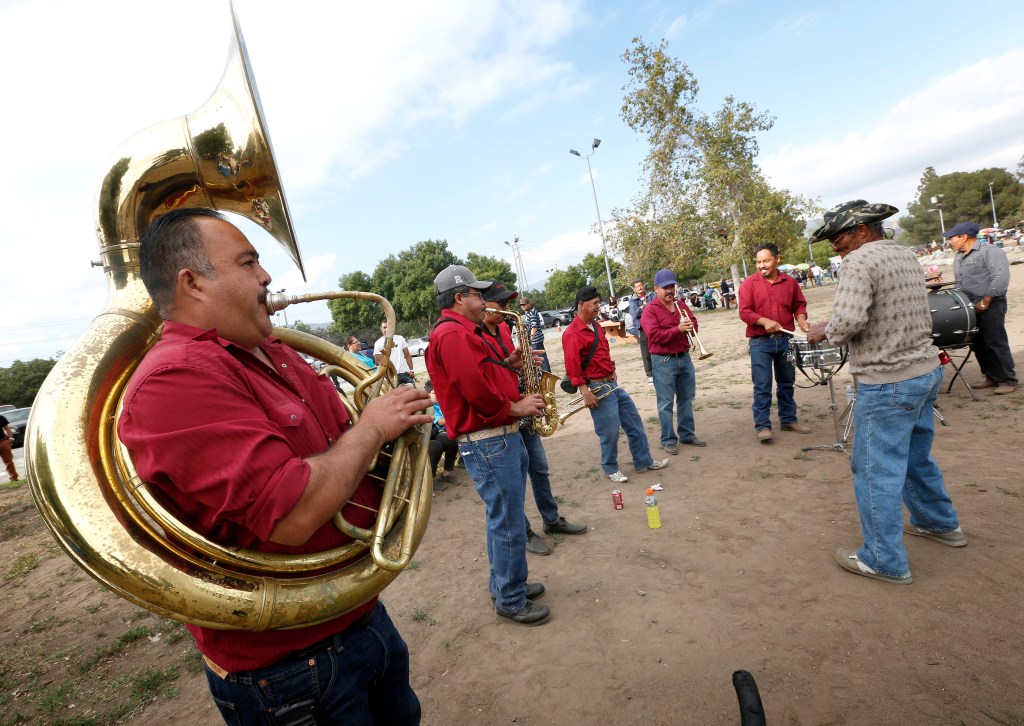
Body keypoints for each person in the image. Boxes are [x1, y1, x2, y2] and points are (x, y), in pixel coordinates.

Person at [118, 208, 430, 723]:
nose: (266, 276)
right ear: (192, 283)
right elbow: (294, 515)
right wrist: (374, 428)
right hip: (289, 672)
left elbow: (343, 444)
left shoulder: (273, 349)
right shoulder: (176, 378)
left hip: (362, 620)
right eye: (248, 263)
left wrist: (393, 430)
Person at [807, 200, 965, 586]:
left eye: (839, 236)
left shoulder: (859, 262)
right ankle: (938, 522)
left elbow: (848, 322)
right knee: (914, 456)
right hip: (924, 371)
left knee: (875, 470)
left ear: (863, 229)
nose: (834, 245)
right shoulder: (905, 255)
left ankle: (882, 559)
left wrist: (823, 328)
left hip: (887, 379)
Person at [425, 265, 551, 626]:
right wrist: (515, 407)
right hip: (489, 440)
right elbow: (475, 391)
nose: (484, 300)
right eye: (479, 295)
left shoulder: (464, 333)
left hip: (496, 438)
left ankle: (507, 585)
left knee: (504, 518)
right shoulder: (452, 335)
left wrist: (508, 365)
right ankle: (510, 599)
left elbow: (480, 376)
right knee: (508, 521)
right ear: (460, 297)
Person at [479, 283, 587, 556]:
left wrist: (525, 365)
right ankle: (525, 532)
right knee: (515, 481)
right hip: (507, 413)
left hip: (525, 404)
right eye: (501, 304)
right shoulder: (475, 333)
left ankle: (551, 520)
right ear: (486, 304)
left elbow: (507, 364)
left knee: (539, 468)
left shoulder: (505, 327)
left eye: (507, 303)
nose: (506, 309)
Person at [563, 285, 669, 483]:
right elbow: (573, 368)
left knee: (634, 422)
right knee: (609, 431)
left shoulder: (595, 325)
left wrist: (611, 369)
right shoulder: (571, 334)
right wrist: (585, 392)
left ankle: (643, 461)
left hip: (611, 384)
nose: (598, 306)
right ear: (581, 304)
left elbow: (603, 351)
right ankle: (610, 467)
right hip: (596, 388)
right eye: (594, 303)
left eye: (598, 302)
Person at [738, 243, 812, 442]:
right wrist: (764, 321)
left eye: (766, 261)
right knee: (762, 385)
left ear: (777, 259)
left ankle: (788, 419)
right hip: (760, 343)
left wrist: (802, 319)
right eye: (758, 262)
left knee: (786, 382)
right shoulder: (748, 284)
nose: (761, 265)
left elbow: (799, 305)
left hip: (786, 340)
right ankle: (762, 426)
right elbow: (744, 312)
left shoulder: (790, 282)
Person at [944, 221, 1017, 395]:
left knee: (995, 341)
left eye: (952, 238)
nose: (949, 241)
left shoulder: (991, 251)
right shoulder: (958, 256)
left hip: (991, 304)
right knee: (978, 343)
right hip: (968, 307)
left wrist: (986, 300)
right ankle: (991, 376)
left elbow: (1000, 276)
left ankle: (1008, 379)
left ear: (963, 237)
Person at [641, 269, 706, 454]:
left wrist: (691, 326)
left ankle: (687, 434)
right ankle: (668, 440)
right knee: (665, 403)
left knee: (686, 399)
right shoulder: (650, 310)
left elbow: (693, 322)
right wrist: (677, 329)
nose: (670, 290)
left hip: (684, 358)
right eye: (665, 287)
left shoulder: (681, 305)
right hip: (663, 361)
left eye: (672, 286)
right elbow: (653, 336)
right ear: (656, 289)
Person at [423, 380, 458, 491]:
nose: (437, 395)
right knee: (435, 447)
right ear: (427, 393)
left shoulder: (438, 402)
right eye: (434, 393)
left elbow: (433, 429)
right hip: (422, 438)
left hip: (432, 433)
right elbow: (438, 423)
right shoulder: (425, 405)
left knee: (451, 439)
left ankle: (446, 473)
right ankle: (430, 481)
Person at [627, 279, 656, 385]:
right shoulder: (632, 300)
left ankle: (661, 371)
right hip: (642, 328)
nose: (640, 287)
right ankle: (650, 375)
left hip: (655, 326)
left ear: (644, 286)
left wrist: (642, 308)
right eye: (637, 286)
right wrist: (646, 307)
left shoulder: (652, 295)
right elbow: (634, 314)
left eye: (641, 285)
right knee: (646, 353)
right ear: (634, 289)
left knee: (659, 349)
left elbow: (656, 306)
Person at [374, 320, 416, 385]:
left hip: (405, 373)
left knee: (415, 393)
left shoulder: (400, 338)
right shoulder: (378, 343)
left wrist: (412, 371)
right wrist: (388, 378)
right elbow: (378, 363)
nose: (386, 329)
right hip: (392, 376)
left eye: (388, 327)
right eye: (384, 327)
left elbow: (407, 355)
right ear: (381, 329)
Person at [518, 298, 550, 373]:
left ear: (529, 303)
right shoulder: (529, 312)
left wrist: (530, 339)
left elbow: (534, 327)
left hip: (536, 340)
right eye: (521, 305)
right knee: (540, 357)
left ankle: (546, 374)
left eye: (524, 304)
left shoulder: (531, 313)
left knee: (541, 358)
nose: (523, 306)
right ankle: (544, 373)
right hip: (536, 339)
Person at [0, 413, 19, 483]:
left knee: (9, 461)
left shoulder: (1, 417)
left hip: (3, 442)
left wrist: (11, 439)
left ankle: (14, 478)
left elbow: (7, 428)